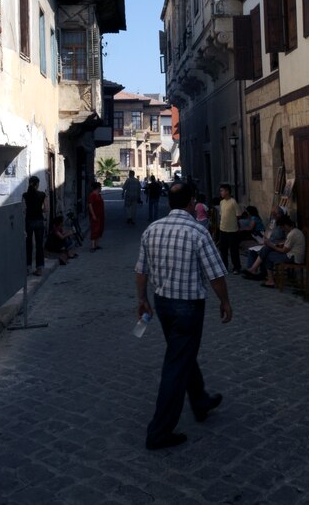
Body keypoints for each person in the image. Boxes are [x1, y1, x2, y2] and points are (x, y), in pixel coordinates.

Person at [135, 182, 233, 450]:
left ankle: (200, 400)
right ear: (191, 202)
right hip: (188, 307)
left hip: (163, 304)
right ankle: (159, 431)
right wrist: (224, 301)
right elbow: (215, 273)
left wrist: (142, 299)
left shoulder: (152, 229)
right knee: (176, 363)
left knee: (181, 352)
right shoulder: (197, 232)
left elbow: (141, 270)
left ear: (169, 202)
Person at [242, 215, 305, 287]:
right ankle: (257, 271)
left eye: (282, 227)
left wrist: (271, 245)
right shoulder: (295, 231)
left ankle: (268, 279)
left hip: (294, 257)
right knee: (267, 249)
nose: (283, 230)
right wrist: (275, 245)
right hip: (292, 254)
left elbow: (284, 251)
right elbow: (288, 244)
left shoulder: (292, 234)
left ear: (285, 225)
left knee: (268, 254)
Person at [23, 175, 47, 276]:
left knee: (28, 245)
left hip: (28, 221)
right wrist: (39, 210)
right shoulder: (42, 195)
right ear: (37, 184)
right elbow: (47, 209)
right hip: (39, 221)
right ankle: (39, 269)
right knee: (39, 245)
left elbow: (23, 209)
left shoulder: (25, 195)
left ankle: (28, 267)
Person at [218, 183, 241, 274]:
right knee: (223, 249)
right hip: (223, 229)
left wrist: (235, 225)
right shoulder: (221, 202)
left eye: (222, 190)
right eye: (220, 191)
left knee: (233, 250)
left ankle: (237, 267)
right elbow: (221, 215)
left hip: (232, 230)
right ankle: (224, 266)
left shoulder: (233, 202)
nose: (221, 192)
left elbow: (238, 215)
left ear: (227, 191)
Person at [88, 181, 105, 251]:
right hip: (95, 215)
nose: (101, 188)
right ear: (97, 188)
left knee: (99, 229)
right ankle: (92, 246)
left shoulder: (99, 195)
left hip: (100, 214)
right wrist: (93, 214)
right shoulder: (92, 195)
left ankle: (97, 245)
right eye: (100, 187)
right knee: (94, 229)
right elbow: (90, 205)